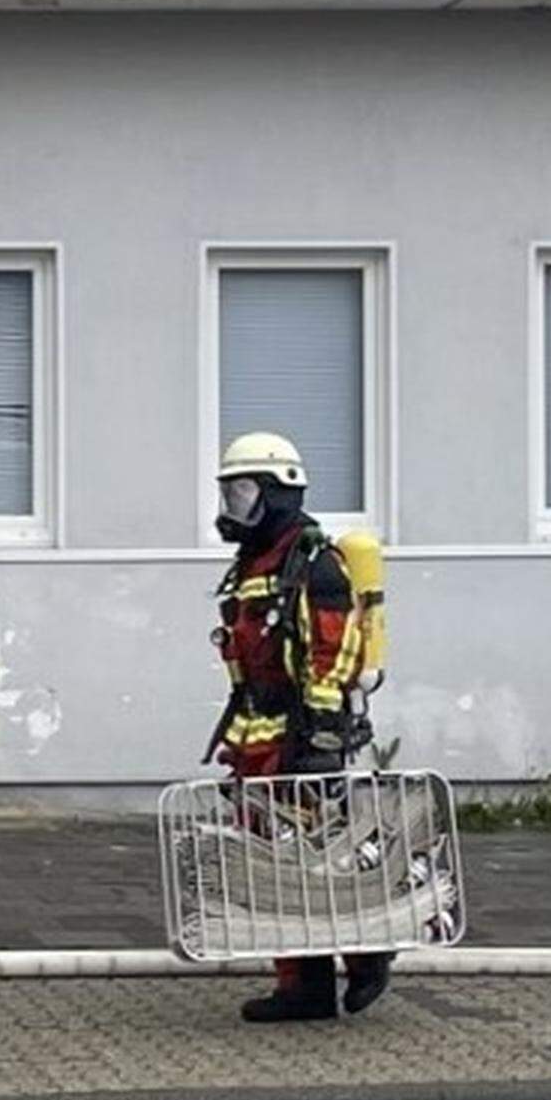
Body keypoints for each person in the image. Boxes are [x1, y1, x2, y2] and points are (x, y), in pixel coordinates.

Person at [203, 430, 390, 1024]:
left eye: (243, 491)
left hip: (299, 741)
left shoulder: (314, 563)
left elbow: (330, 657)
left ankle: (369, 952)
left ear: (278, 492)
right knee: (274, 871)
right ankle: (303, 986)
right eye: (229, 493)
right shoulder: (253, 564)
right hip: (255, 741)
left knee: (319, 862)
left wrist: (318, 746)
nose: (234, 505)